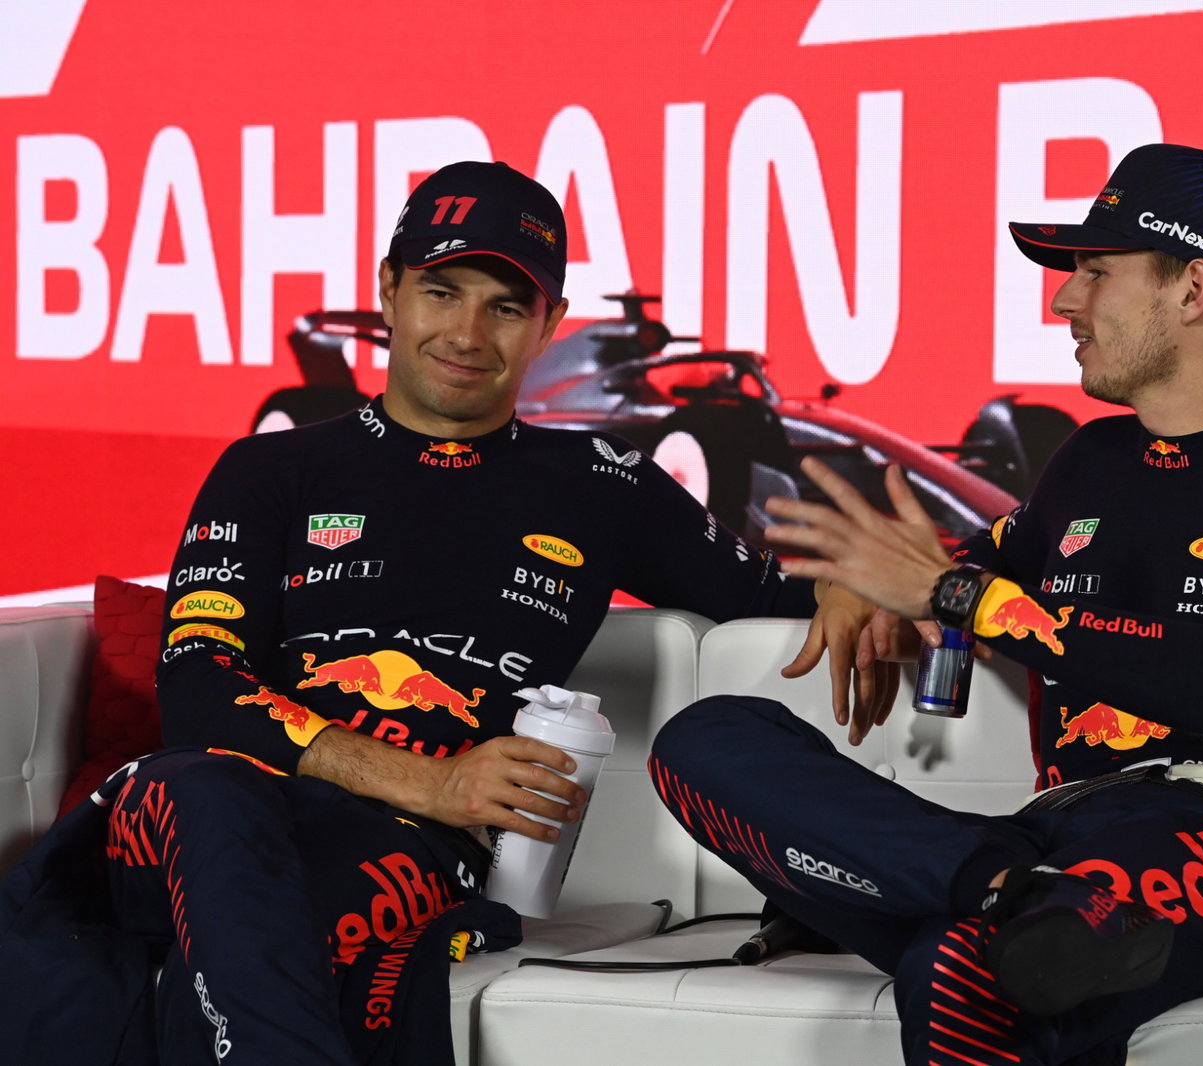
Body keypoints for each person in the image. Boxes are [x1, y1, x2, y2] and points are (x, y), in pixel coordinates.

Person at [0, 160, 885, 1066]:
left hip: (410, 852)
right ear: (390, 290)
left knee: (290, 921)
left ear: (550, 326)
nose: (466, 332)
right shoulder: (269, 470)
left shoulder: (603, 484)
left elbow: (776, 604)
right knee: (208, 789)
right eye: (441, 290)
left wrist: (856, 585)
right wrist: (432, 781)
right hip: (192, 814)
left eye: (505, 305)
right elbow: (198, 688)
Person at [648, 143, 1203, 1066]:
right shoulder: (1088, 463)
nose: (1064, 301)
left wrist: (951, 594)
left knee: (958, 963)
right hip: (1063, 842)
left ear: (1194, 289)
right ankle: (1013, 891)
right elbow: (977, 562)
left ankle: (1016, 901)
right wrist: (865, 579)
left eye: (1096, 273)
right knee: (705, 740)